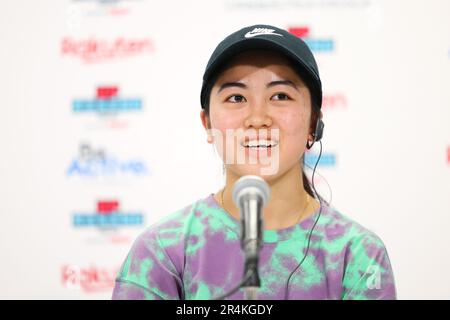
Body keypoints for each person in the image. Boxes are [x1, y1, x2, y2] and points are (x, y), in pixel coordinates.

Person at [111, 24, 396, 300]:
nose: (258, 119)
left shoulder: (357, 254)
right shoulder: (162, 252)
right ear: (207, 123)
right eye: (236, 97)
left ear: (314, 123)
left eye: (280, 96)